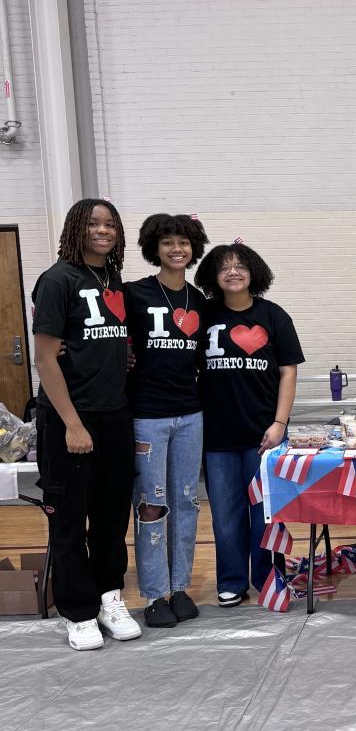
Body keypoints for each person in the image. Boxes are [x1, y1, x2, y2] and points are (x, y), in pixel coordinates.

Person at [32, 198, 140, 650]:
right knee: (71, 519)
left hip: (116, 415)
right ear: (76, 228)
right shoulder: (57, 280)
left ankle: (109, 597)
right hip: (70, 419)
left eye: (110, 224)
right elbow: (44, 358)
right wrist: (73, 424)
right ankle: (77, 612)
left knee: (112, 517)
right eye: (94, 223)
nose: (103, 230)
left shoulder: (112, 280)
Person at [194, 244, 304, 606]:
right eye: (224, 267)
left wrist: (279, 423)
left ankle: (269, 578)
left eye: (240, 265)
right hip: (217, 436)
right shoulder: (204, 315)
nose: (233, 272)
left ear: (253, 271)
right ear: (213, 276)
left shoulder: (274, 316)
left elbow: (288, 372)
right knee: (226, 515)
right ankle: (231, 581)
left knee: (267, 513)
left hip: (265, 435)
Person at [126, 213, 209, 627]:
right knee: (152, 505)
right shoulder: (135, 293)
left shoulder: (199, 301)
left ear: (193, 249)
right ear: (154, 249)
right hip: (147, 417)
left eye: (184, 243)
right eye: (168, 243)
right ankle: (155, 594)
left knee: (187, 502)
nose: (177, 249)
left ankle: (179, 587)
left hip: (191, 415)